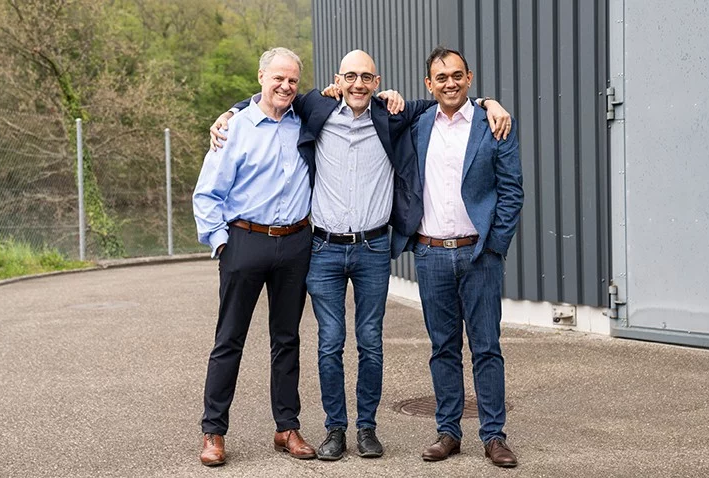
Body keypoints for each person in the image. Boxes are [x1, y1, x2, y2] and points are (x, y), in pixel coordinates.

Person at [210, 49, 512, 461]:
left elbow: (449, 99)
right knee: (329, 343)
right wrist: (230, 111)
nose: (357, 84)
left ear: (377, 82)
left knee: (371, 342)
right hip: (324, 249)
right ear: (338, 80)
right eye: (350, 76)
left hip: (373, 249)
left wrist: (488, 103)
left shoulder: (392, 114)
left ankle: (367, 428)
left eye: (366, 77)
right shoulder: (316, 107)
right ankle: (335, 428)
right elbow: (273, 95)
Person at [397, 46, 523, 468]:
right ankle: (448, 432)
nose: (450, 83)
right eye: (441, 77)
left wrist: (494, 246)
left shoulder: (494, 123)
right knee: (443, 349)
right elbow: (370, 104)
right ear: (428, 84)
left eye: (457, 75)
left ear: (469, 77)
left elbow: (512, 190)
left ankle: (494, 436)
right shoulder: (418, 124)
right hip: (431, 253)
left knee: (486, 347)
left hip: (478, 254)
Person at [192, 47, 317, 467]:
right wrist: (221, 243)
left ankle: (287, 427)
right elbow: (207, 193)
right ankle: (213, 431)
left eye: (292, 80)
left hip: (295, 243)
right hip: (245, 241)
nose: (285, 86)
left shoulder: (305, 122)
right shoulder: (235, 128)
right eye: (278, 77)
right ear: (261, 77)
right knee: (229, 339)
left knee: (287, 339)